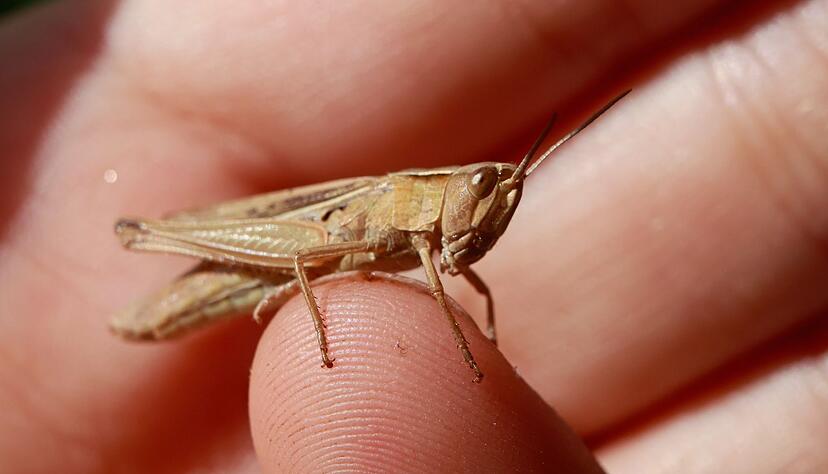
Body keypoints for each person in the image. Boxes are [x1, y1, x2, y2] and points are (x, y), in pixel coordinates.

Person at [1, 1, 826, 472]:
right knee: (300, 266)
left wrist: (482, 319)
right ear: (443, 191)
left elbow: (459, 272)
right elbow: (329, 252)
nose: (495, 201)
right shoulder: (403, 206)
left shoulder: (441, 235)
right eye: (485, 187)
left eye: (498, 192)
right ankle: (153, 242)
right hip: (273, 244)